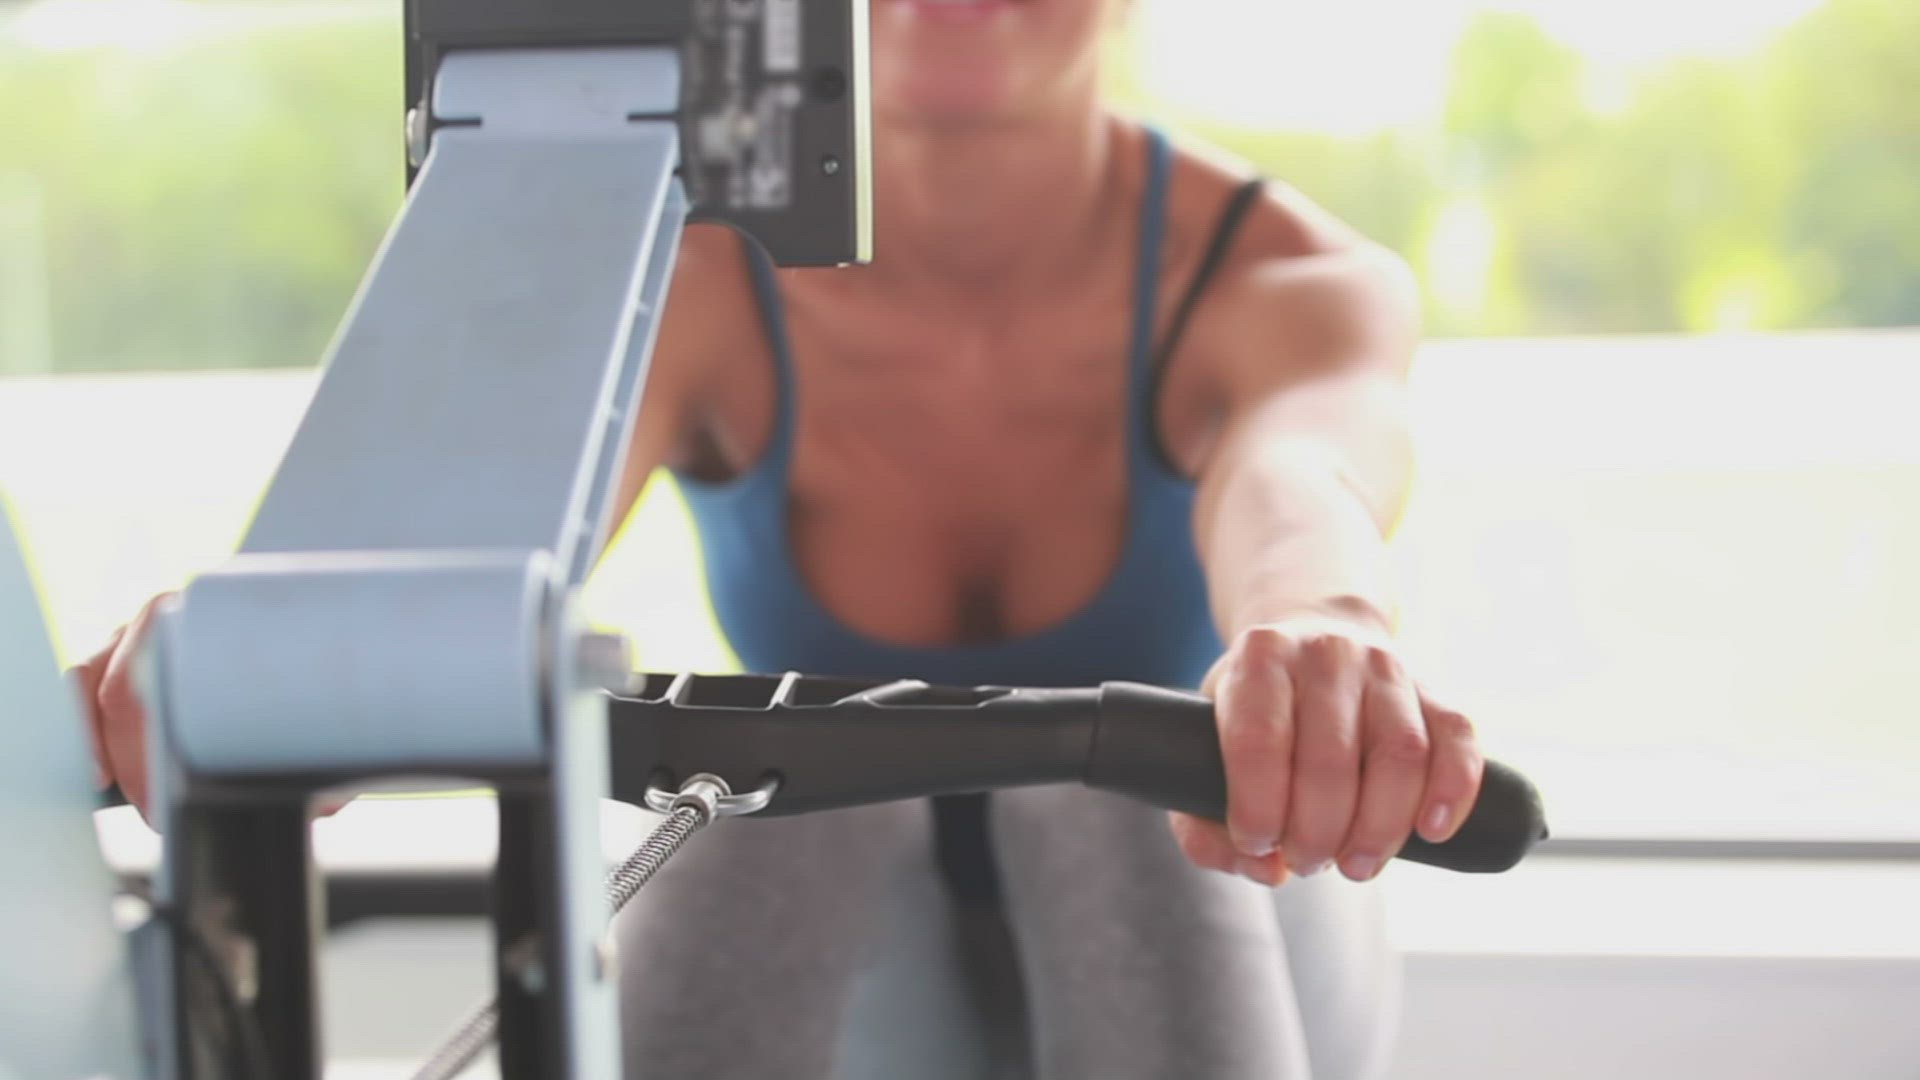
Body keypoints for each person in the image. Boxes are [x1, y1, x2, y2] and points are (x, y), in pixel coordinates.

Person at [77, 1, 1485, 1077]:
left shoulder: (1293, 281)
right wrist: (282, 644)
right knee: (772, 782)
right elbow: (474, 532)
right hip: (863, 955)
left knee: (1100, 795)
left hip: (1218, 922)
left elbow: (1303, 484)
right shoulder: (695, 277)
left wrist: (1328, 624)